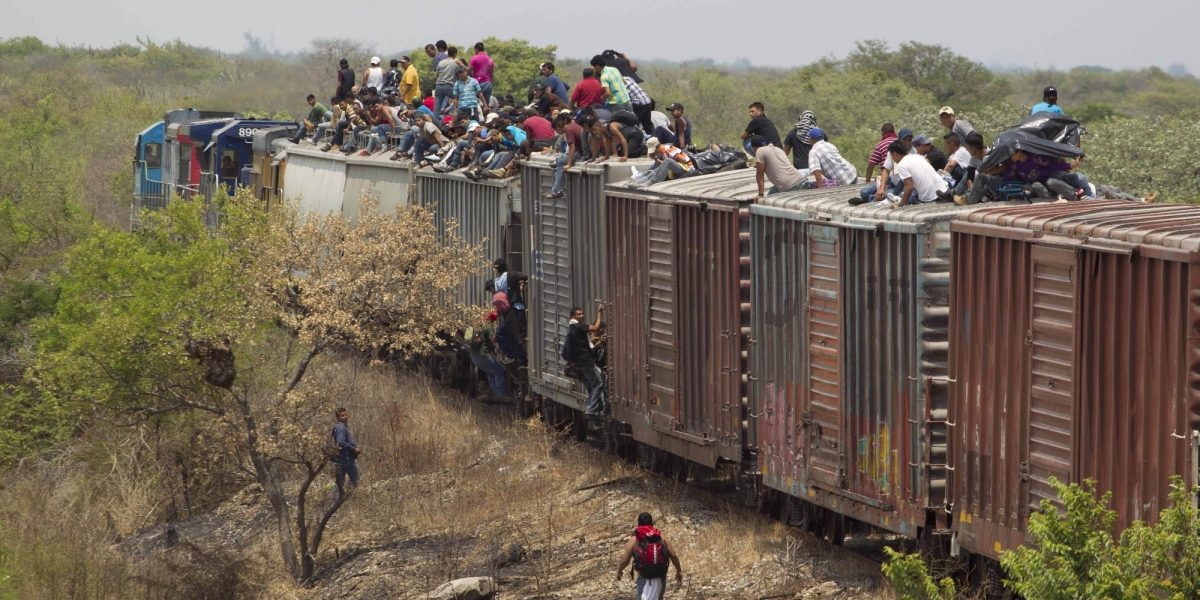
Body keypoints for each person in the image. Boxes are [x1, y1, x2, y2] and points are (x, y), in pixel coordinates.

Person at [616, 513, 683, 600]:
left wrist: (619, 571)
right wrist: (679, 570)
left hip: (643, 577)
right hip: (660, 577)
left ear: (638, 524)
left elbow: (625, 560)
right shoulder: (661, 537)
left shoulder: (634, 539)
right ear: (652, 523)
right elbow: (673, 555)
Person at [566, 305, 607, 420]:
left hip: (580, 363)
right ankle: (591, 409)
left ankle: (597, 406)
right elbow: (595, 327)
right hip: (585, 361)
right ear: (572, 316)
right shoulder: (578, 327)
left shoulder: (572, 328)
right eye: (579, 314)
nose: (582, 316)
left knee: (594, 383)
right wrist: (599, 312)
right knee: (598, 382)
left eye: (582, 314)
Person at [885, 140, 949, 206]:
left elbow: (909, 187)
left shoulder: (901, 165)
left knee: (902, 198)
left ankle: (897, 200)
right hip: (944, 192)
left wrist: (900, 205)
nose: (893, 159)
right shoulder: (918, 157)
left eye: (891, 156)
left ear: (895, 154)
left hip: (930, 198)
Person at [860, 128, 914, 203]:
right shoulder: (893, 151)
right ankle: (868, 198)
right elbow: (886, 170)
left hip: (901, 187)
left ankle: (870, 199)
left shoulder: (914, 154)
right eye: (905, 140)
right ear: (899, 140)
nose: (907, 143)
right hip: (891, 181)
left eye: (909, 140)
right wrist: (881, 188)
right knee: (864, 192)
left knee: (885, 195)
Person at [461, 317, 507, 399]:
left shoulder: (476, 326)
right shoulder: (487, 327)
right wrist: (502, 334)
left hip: (474, 358)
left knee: (490, 373)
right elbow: (493, 340)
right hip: (483, 357)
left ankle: (497, 394)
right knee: (499, 372)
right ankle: (502, 395)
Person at [543, 114, 582, 198]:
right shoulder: (572, 125)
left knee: (561, 163)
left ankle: (557, 191)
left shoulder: (568, 131)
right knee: (562, 157)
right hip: (581, 150)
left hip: (581, 152)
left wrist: (568, 164)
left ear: (558, 128)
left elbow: (572, 147)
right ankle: (557, 161)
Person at [331, 407, 360, 491]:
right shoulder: (341, 428)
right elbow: (340, 442)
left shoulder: (338, 427)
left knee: (339, 481)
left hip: (340, 459)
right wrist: (354, 449)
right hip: (346, 458)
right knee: (354, 478)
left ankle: (338, 497)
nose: (345, 417)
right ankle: (349, 495)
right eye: (342, 416)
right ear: (337, 417)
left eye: (346, 415)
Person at [432, 46, 460, 115]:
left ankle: (435, 120)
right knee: (460, 100)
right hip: (449, 85)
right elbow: (458, 77)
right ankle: (457, 115)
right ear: (455, 54)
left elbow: (436, 76)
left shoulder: (441, 62)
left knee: (436, 108)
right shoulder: (456, 63)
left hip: (438, 86)